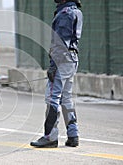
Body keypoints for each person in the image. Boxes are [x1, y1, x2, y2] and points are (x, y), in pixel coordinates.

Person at [30, 0, 83, 148]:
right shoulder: (75, 11)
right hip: (72, 59)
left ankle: (50, 137)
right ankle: (73, 135)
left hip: (62, 60)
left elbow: (61, 43)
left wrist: (53, 66)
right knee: (66, 98)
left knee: (52, 98)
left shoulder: (65, 14)